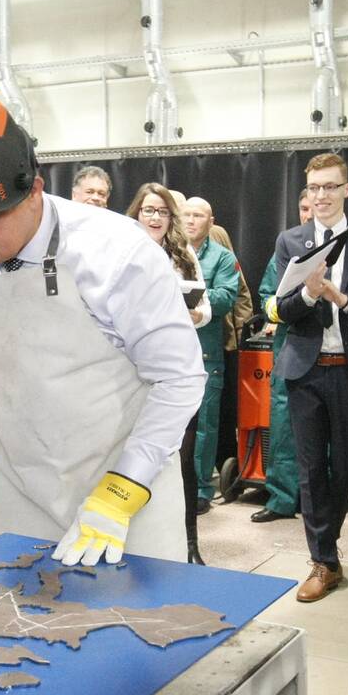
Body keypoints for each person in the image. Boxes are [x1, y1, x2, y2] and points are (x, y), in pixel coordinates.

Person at [0, 94, 205, 568]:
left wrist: (124, 488)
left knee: (132, 613)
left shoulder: (117, 253)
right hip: (20, 495)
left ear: (34, 192)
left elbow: (179, 379)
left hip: (126, 494)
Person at [273, 153, 348, 602]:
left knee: (345, 467)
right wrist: (308, 295)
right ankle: (323, 560)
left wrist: (342, 299)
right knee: (310, 470)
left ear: (347, 190)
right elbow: (281, 308)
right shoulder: (291, 240)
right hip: (304, 371)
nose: (321, 195)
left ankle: (329, 546)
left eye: (329, 186)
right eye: (314, 188)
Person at [126, 182, 211, 564]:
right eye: (149, 210)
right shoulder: (121, 248)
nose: (156, 217)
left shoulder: (183, 252)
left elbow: (206, 307)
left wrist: (195, 313)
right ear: (137, 213)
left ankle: (190, 545)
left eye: (162, 211)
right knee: (136, 456)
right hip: (133, 370)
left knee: (184, 459)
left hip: (178, 367)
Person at [249, 189, 312, 524]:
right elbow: (266, 296)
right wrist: (275, 313)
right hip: (289, 347)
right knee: (284, 427)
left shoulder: (341, 248)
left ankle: (318, 499)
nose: (308, 213)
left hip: (327, 349)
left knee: (323, 433)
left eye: (313, 207)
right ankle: (281, 499)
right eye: (303, 208)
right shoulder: (286, 249)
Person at [181, 197, 240, 515]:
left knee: (205, 424)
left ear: (211, 222)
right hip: (170, 350)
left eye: (198, 215)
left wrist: (190, 296)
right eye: (186, 215)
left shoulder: (222, 257)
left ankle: (201, 489)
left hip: (206, 352)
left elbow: (227, 297)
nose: (191, 220)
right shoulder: (167, 251)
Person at [207, 224, 255, 471]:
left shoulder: (217, 240)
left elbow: (241, 296)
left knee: (224, 407)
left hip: (224, 340)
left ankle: (225, 462)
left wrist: (240, 334)